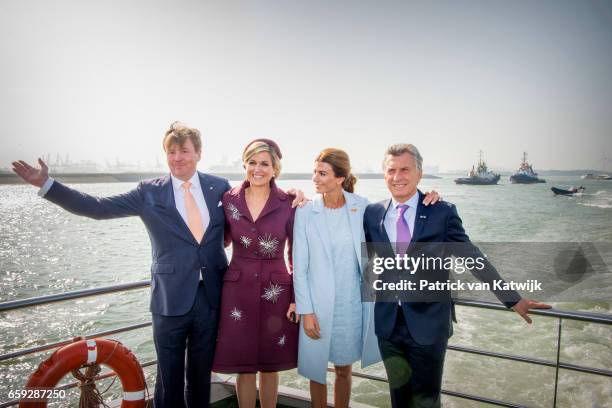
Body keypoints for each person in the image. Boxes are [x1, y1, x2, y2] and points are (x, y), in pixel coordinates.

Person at [363, 143, 551, 408]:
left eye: (405, 169)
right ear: (384, 175)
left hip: (429, 326)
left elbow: (473, 258)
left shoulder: (442, 212)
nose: (397, 177)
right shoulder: (373, 214)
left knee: (427, 402)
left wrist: (512, 299)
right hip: (388, 326)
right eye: (391, 170)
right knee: (399, 400)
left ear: (419, 173)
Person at [292, 148, 440, 408]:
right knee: (316, 372)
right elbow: (300, 266)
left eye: (322, 173)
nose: (315, 177)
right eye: (314, 171)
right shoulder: (305, 212)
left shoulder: (363, 208)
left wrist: (431, 196)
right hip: (317, 305)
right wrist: (306, 311)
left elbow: (400, 209)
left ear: (340, 178)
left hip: (351, 305)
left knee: (343, 370)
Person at [212, 139, 299, 408]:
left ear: (275, 169)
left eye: (265, 163)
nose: (257, 169)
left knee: (270, 365)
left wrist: (296, 297)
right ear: (244, 165)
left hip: (277, 292)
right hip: (237, 293)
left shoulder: (289, 202)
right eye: (252, 162)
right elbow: (218, 239)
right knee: (244, 365)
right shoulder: (228, 199)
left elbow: (296, 254)